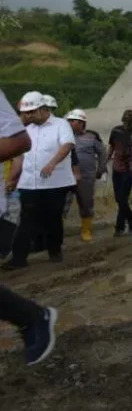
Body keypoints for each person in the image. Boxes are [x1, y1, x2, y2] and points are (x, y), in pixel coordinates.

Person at [0, 86, 59, 365]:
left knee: (46, 223)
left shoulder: (59, 128)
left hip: (48, 186)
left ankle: (33, 317)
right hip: (27, 187)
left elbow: (18, 144)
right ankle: (33, 317)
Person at [3, 91, 76, 270]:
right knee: (26, 219)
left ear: (43, 109)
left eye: (31, 112)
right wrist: (12, 179)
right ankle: (19, 258)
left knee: (52, 217)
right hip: (29, 183)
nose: (27, 116)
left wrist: (52, 164)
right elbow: (20, 158)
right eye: (25, 113)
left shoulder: (61, 124)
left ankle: (54, 250)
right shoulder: (25, 129)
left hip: (55, 183)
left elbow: (67, 146)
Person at [65, 109, 107, 242]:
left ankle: (86, 230)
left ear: (82, 123)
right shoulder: (63, 136)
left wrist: (101, 168)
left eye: (73, 121)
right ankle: (57, 232)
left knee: (86, 203)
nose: (70, 123)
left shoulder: (91, 137)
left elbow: (102, 152)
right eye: (69, 121)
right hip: (66, 177)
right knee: (62, 203)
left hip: (86, 177)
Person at [108, 109, 132, 236]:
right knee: (118, 198)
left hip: (130, 169)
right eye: (125, 120)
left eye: (129, 121)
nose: (126, 123)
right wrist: (106, 161)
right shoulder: (116, 130)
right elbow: (111, 147)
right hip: (117, 168)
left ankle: (120, 226)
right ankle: (131, 219)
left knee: (122, 197)